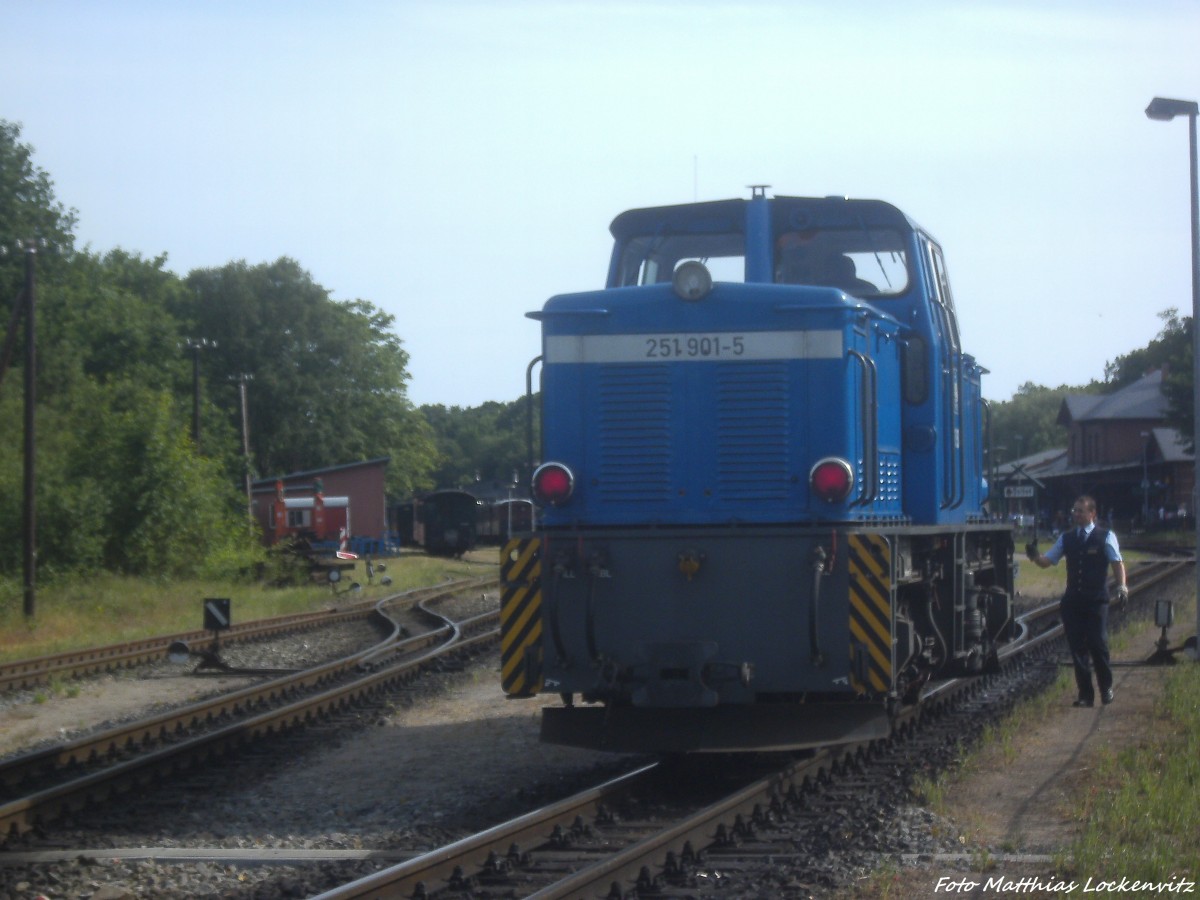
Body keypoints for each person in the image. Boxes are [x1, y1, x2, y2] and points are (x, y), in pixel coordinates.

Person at [1025, 495, 1128, 707]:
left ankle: (1106, 686)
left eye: (1080, 511)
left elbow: (1117, 563)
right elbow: (1047, 561)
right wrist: (1035, 556)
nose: (1076, 514)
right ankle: (1085, 695)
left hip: (1096, 601)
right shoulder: (1067, 538)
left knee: (1098, 644)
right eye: (1075, 510)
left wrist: (1122, 586)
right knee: (1077, 648)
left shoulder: (1106, 537)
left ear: (1092, 514)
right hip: (1073, 602)